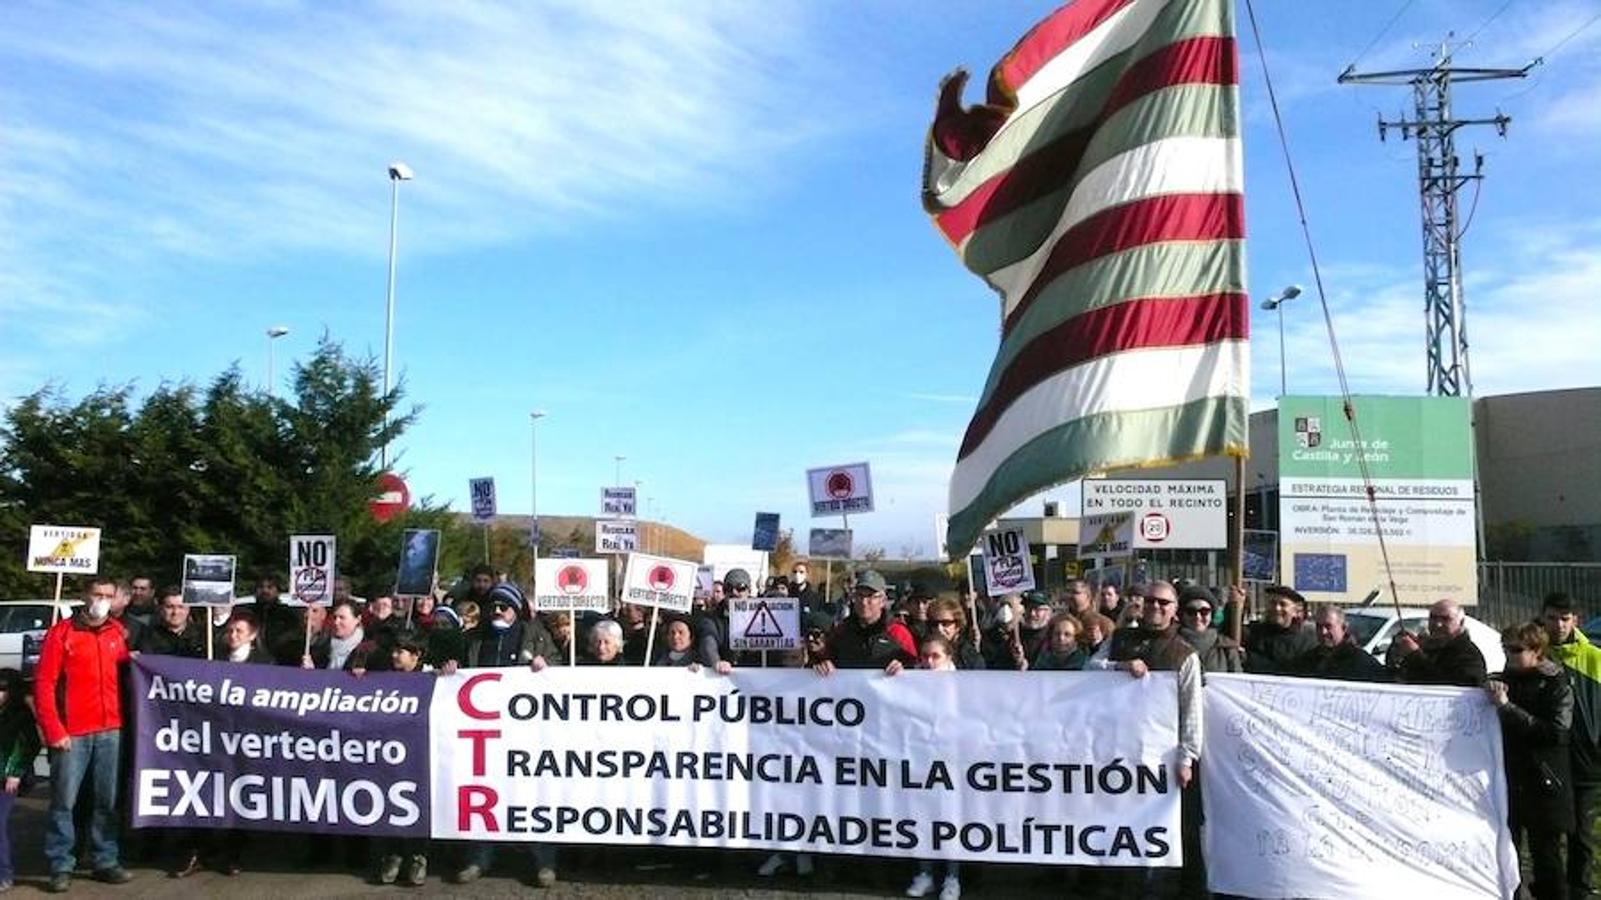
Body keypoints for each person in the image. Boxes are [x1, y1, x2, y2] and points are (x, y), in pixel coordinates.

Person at [1086, 580, 1204, 897]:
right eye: (1151, 601)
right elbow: (1089, 669)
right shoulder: (1121, 638)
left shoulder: (1185, 654)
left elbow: (1191, 709)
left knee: (1155, 829)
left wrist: (1187, 757)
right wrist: (1120, 666)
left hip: (1159, 757)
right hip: (1117, 750)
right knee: (1117, 822)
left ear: (1175, 610)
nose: (1156, 607)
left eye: (1164, 603)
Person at [34, 577, 134, 892]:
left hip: (111, 730)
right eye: (97, 594)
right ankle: (61, 864)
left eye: (108, 595)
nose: (102, 600)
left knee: (107, 800)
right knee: (64, 801)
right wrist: (54, 729)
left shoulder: (117, 633)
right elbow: (44, 685)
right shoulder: (61, 633)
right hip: (72, 732)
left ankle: (105, 859)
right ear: (84, 595)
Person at [1489, 621, 1574, 900]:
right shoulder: (1503, 680)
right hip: (1509, 780)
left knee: (1546, 859)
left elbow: (1555, 732)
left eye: (1516, 649)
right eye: (1506, 649)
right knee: (1506, 855)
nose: (1510, 655)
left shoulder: (1555, 682)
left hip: (1544, 780)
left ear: (1536, 650)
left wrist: (1507, 708)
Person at [893, 635, 963, 900]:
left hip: (951, 760)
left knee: (950, 819)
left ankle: (952, 877)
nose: (929, 662)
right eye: (925, 657)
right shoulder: (913, 679)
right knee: (921, 816)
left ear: (948, 657)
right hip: (920, 758)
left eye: (936, 657)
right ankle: (925, 873)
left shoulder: (965, 684)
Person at [1542, 591, 1601, 897]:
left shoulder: (1594, 657)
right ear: (1543, 618)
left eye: (1564, 619)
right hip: (1546, 759)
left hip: (1586, 761)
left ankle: (1580, 890)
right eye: (1552, 618)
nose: (1558, 625)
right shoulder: (1533, 654)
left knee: (1583, 834)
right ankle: (1551, 890)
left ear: (1575, 620)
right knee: (1548, 832)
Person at [374, 637, 432, 887]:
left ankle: (419, 857)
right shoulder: (384, 677)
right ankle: (393, 856)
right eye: (394, 650)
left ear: (416, 655)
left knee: (418, 805)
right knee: (392, 804)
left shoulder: (432, 677)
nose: (396, 656)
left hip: (421, 753)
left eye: (402, 651)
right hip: (391, 753)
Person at [812, 570, 916, 675]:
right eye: (860, 595)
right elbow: (826, 661)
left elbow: (916, 670)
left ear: (883, 601)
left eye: (871, 596)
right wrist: (823, 663)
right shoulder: (841, 631)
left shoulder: (898, 632)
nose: (864, 602)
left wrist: (903, 669)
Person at [0, 668, 40, 893]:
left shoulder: (20, 714)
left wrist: (16, 772)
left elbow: (31, 745)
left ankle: (4, 874)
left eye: (4, 688)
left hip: (7, 780)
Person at [1392, 598, 1487, 687]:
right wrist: (1398, 649)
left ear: (1461, 622)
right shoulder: (1427, 647)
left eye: (1446, 619)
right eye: (1433, 618)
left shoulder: (1469, 654)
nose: (1438, 624)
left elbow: (1446, 686)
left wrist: (1414, 655)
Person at [462, 586, 557, 670]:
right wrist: (453, 665)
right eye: (493, 607)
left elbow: (556, 661)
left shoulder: (537, 637)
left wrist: (546, 664)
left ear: (515, 610)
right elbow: (461, 663)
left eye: (503, 607)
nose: (497, 611)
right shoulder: (472, 638)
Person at [1293, 605, 1388, 682]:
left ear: (1344, 627)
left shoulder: (1362, 662)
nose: (1323, 632)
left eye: (1328, 626)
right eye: (1319, 626)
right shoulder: (1308, 660)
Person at [1243, 585, 1317, 674]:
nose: (1277, 608)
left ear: (1296, 611)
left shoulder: (1309, 640)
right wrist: (1236, 606)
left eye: (1283, 604)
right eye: (1273, 603)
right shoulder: (1254, 633)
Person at [1176, 586, 1243, 674]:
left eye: (1204, 612)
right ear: (1182, 614)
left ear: (1211, 615)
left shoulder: (1227, 648)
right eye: (1191, 611)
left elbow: (1237, 682)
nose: (1197, 617)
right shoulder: (1168, 644)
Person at [137, 588, 205, 659]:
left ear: (188, 609)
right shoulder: (148, 636)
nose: (175, 612)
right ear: (161, 608)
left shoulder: (202, 636)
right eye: (170, 607)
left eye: (181, 607)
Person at [303, 600, 368, 672]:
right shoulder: (322, 645)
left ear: (357, 619)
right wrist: (311, 671)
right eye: (334, 617)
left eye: (342, 617)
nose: (336, 622)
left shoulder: (368, 650)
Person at [926, 598, 985, 670]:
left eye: (945, 623)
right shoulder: (924, 649)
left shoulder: (969, 657)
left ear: (957, 625)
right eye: (934, 624)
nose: (939, 629)